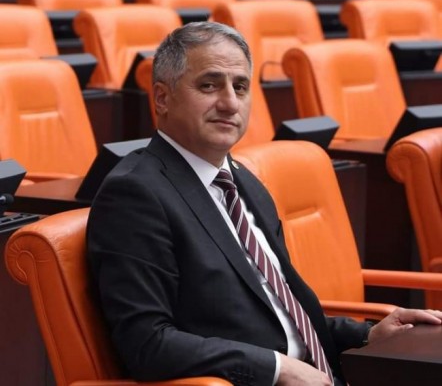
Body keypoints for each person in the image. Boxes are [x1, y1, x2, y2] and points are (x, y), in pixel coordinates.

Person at [87, 21, 442, 386]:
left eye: (240, 87)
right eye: (209, 85)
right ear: (162, 98)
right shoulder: (135, 194)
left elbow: (281, 315)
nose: (229, 103)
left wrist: (367, 334)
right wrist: (276, 368)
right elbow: (147, 344)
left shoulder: (245, 182)